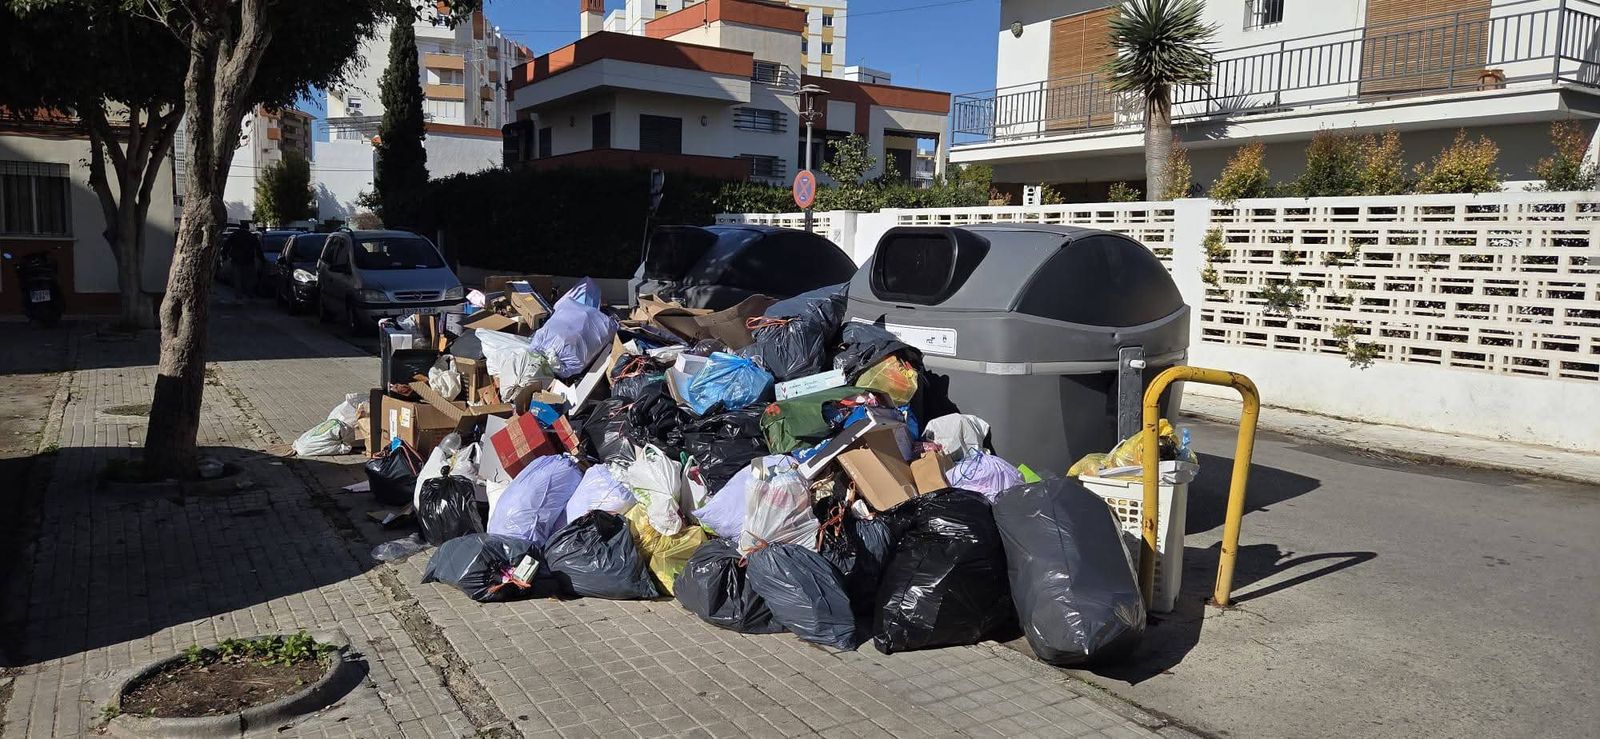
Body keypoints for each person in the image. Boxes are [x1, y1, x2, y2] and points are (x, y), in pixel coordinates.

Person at [225, 225, 260, 302]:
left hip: (237, 260)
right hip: (248, 260)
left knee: (237, 279)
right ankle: (249, 293)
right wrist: (262, 259)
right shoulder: (251, 236)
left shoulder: (234, 235)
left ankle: (239, 296)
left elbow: (226, 246)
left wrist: (225, 255)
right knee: (249, 278)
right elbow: (258, 248)